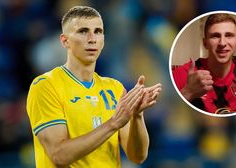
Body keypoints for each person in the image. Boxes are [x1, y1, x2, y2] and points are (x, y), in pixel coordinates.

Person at [26, 6, 162, 167]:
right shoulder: (46, 86)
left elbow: (137, 156)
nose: (92, 38)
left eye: (98, 31)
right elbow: (59, 155)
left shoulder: (114, 88)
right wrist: (113, 124)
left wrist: (137, 116)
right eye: (83, 31)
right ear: (65, 41)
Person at [172, 13, 236, 114]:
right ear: (205, 43)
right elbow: (164, 117)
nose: (222, 43)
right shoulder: (184, 74)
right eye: (215, 36)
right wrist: (188, 92)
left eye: (229, 35)